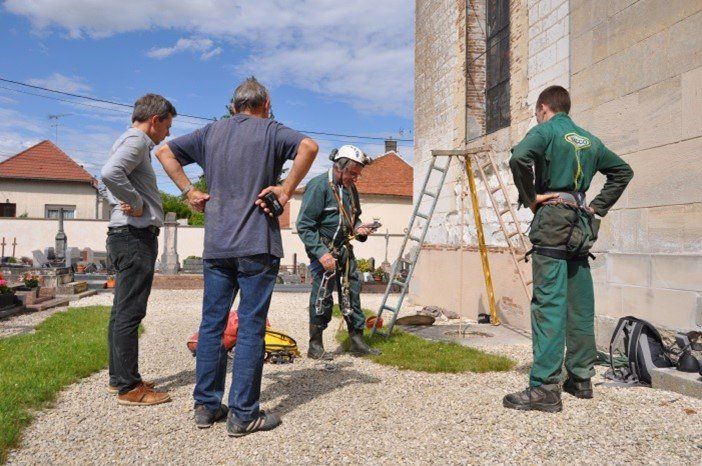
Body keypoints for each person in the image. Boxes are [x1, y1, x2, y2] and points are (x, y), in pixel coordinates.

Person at [156, 77, 318, 436]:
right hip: (257, 244)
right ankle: (244, 414)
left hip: (217, 246)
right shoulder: (271, 130)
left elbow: (163, 152)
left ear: (233, 107)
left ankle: (207, 407)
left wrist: (188, 192)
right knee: (250, 328)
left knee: (212, 325)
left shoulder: (210, 133)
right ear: (266, 105)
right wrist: (285, 189)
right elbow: (308, 146)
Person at [504, 85, 633, 413]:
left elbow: (519, 157)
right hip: (581, 223)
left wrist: (530, 196)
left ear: (544, 107)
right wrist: (597, 207)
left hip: (553, 219)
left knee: (548, 302)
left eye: (537, 113)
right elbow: (622, 171)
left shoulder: (546, 131)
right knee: (579, 300)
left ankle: (545, 388)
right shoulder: (588, 139)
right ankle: (580, 378)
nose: (537, 117)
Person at [101, 93, 176, 406]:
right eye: (168, 126)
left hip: (125, 235)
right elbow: (109, 173)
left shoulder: (125, 139)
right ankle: (130, 389)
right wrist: (137, 201)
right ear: (155, 120)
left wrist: (128, 198)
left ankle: (120, 378)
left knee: (122, 310)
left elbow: (110, 177)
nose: (168, 134)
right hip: (134, 238)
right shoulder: (137, 141)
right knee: (130, 312)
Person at [296, 145, 382, 360]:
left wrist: (360, 229)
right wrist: (321, 253)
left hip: (345, 252)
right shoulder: (318, 186)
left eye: (358, 174)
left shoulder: (350, 189)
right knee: (322, 297)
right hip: (324, 252)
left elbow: (355, 217)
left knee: (352, 293)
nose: (356, 178)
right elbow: (305, 225)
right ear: (338, 166)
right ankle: (315, 345)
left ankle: (357, 341)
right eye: (353, 173)